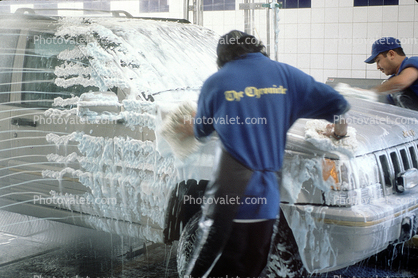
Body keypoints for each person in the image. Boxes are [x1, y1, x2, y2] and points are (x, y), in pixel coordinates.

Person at [178, 30, 350, 278]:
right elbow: (338, 104)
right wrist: (339, 131)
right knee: (253, 266)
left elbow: (201, 130)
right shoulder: (287, 75)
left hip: (230, 191)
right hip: (268, 194)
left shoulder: (217, 82)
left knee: (209, 263)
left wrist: (189, 125)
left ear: (223, 57)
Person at [365, 37, 418, 110]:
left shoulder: (414, 61)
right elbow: (389, 110)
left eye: (378, 61)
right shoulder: (392, 82)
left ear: (391, 54)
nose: (377, 67)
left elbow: (401, 82)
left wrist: (370, 92)